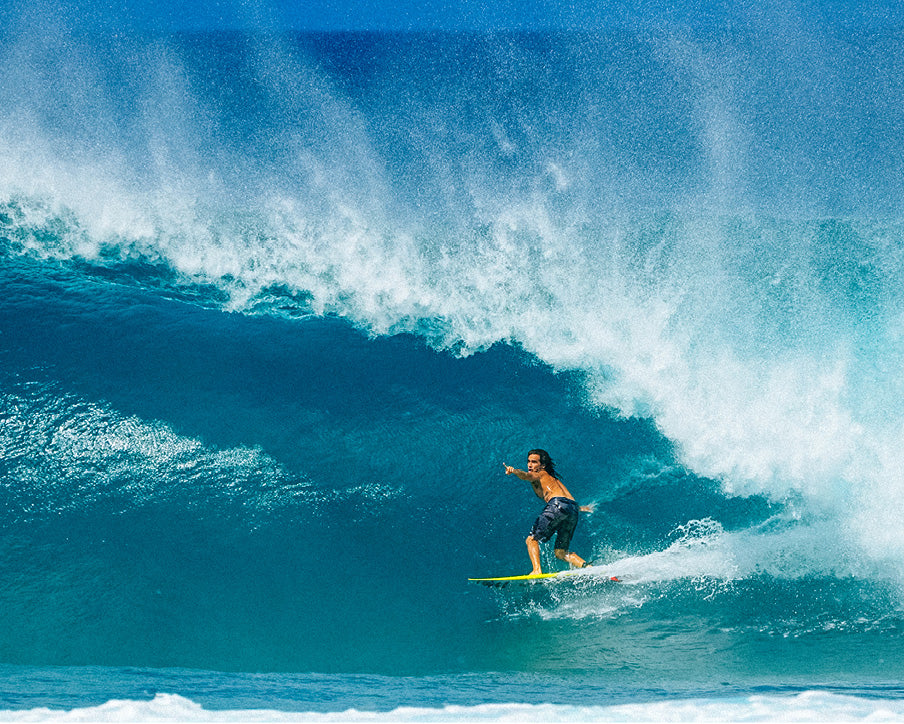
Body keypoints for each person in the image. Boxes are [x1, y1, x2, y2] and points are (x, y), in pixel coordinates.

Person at [504, 449, 594, 575]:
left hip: (556, 505)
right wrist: (582, 508)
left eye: (534, 462)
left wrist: (513, 471)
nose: (530, 465)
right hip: (572, 509)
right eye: (528, 461)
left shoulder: (539, 474)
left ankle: (537, 570)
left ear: (542, 465)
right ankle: (588, 568)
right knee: (560, 552)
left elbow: (525, 475)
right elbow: (567, 500)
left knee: (531, 540)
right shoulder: (554, 480)